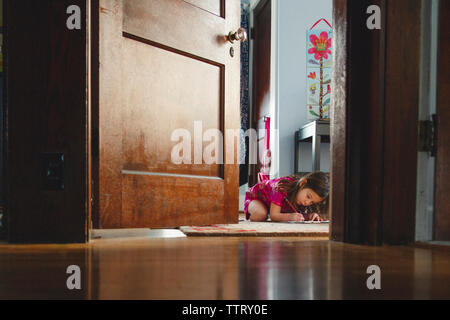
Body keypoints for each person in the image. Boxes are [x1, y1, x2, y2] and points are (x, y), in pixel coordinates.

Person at [244, 172, 329, 222]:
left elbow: (298, 214)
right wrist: (290, 217)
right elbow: (274, 216)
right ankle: (250, 213)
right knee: (261, 214)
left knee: (271, 213)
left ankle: (266, 213)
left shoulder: (301, 198)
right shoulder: (281, 187)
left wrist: (309, 216)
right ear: (302, 183)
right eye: (308, 196)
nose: (307, 202)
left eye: (312, 202)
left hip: (269, 205)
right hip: (255, 197)